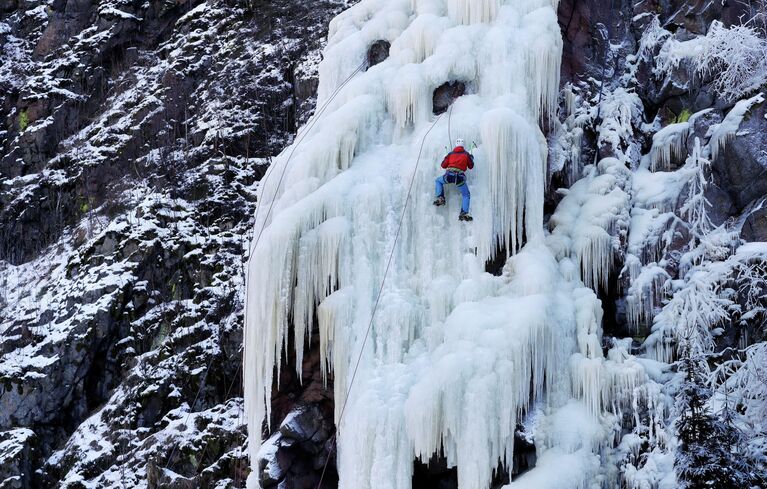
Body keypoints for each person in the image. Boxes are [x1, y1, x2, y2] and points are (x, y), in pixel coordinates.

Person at [433, 138, 474, 221]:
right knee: (466, 195)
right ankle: (464, 213)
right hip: (459, 178)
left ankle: (440, 198)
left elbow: (443, 165)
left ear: (455, 145)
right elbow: (471, 166)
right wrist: (471, 157)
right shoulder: (466, 154)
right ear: (463, 146)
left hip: (449, 176)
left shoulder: (450, 154)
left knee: (438, 181)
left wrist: (445, 158)